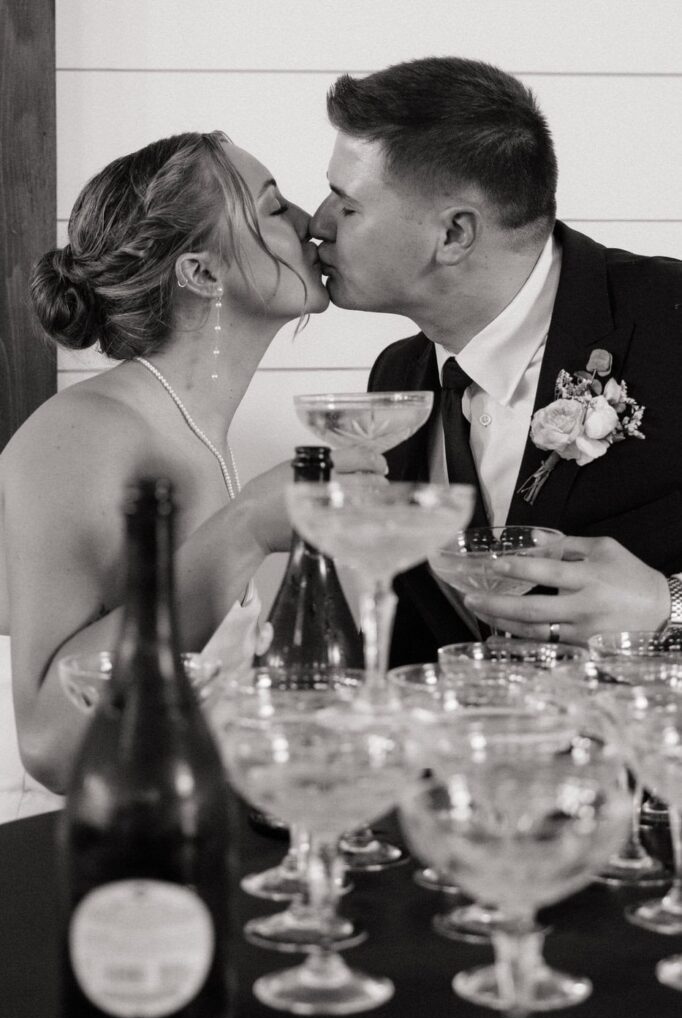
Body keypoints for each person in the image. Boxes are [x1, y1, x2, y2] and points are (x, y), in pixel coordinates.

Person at [0, 130, 383, 813]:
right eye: (274, 208)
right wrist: (245, 532)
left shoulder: (196, 430)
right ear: (202, 273)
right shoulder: (82, 435)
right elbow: (51, 744)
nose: (313, 223)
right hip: (95, 865)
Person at [310, 55, 682, 662]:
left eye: (346, 205)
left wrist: (668, 607)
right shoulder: (397, 379)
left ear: (455, 233)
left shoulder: (670, 317)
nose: (318, 224)